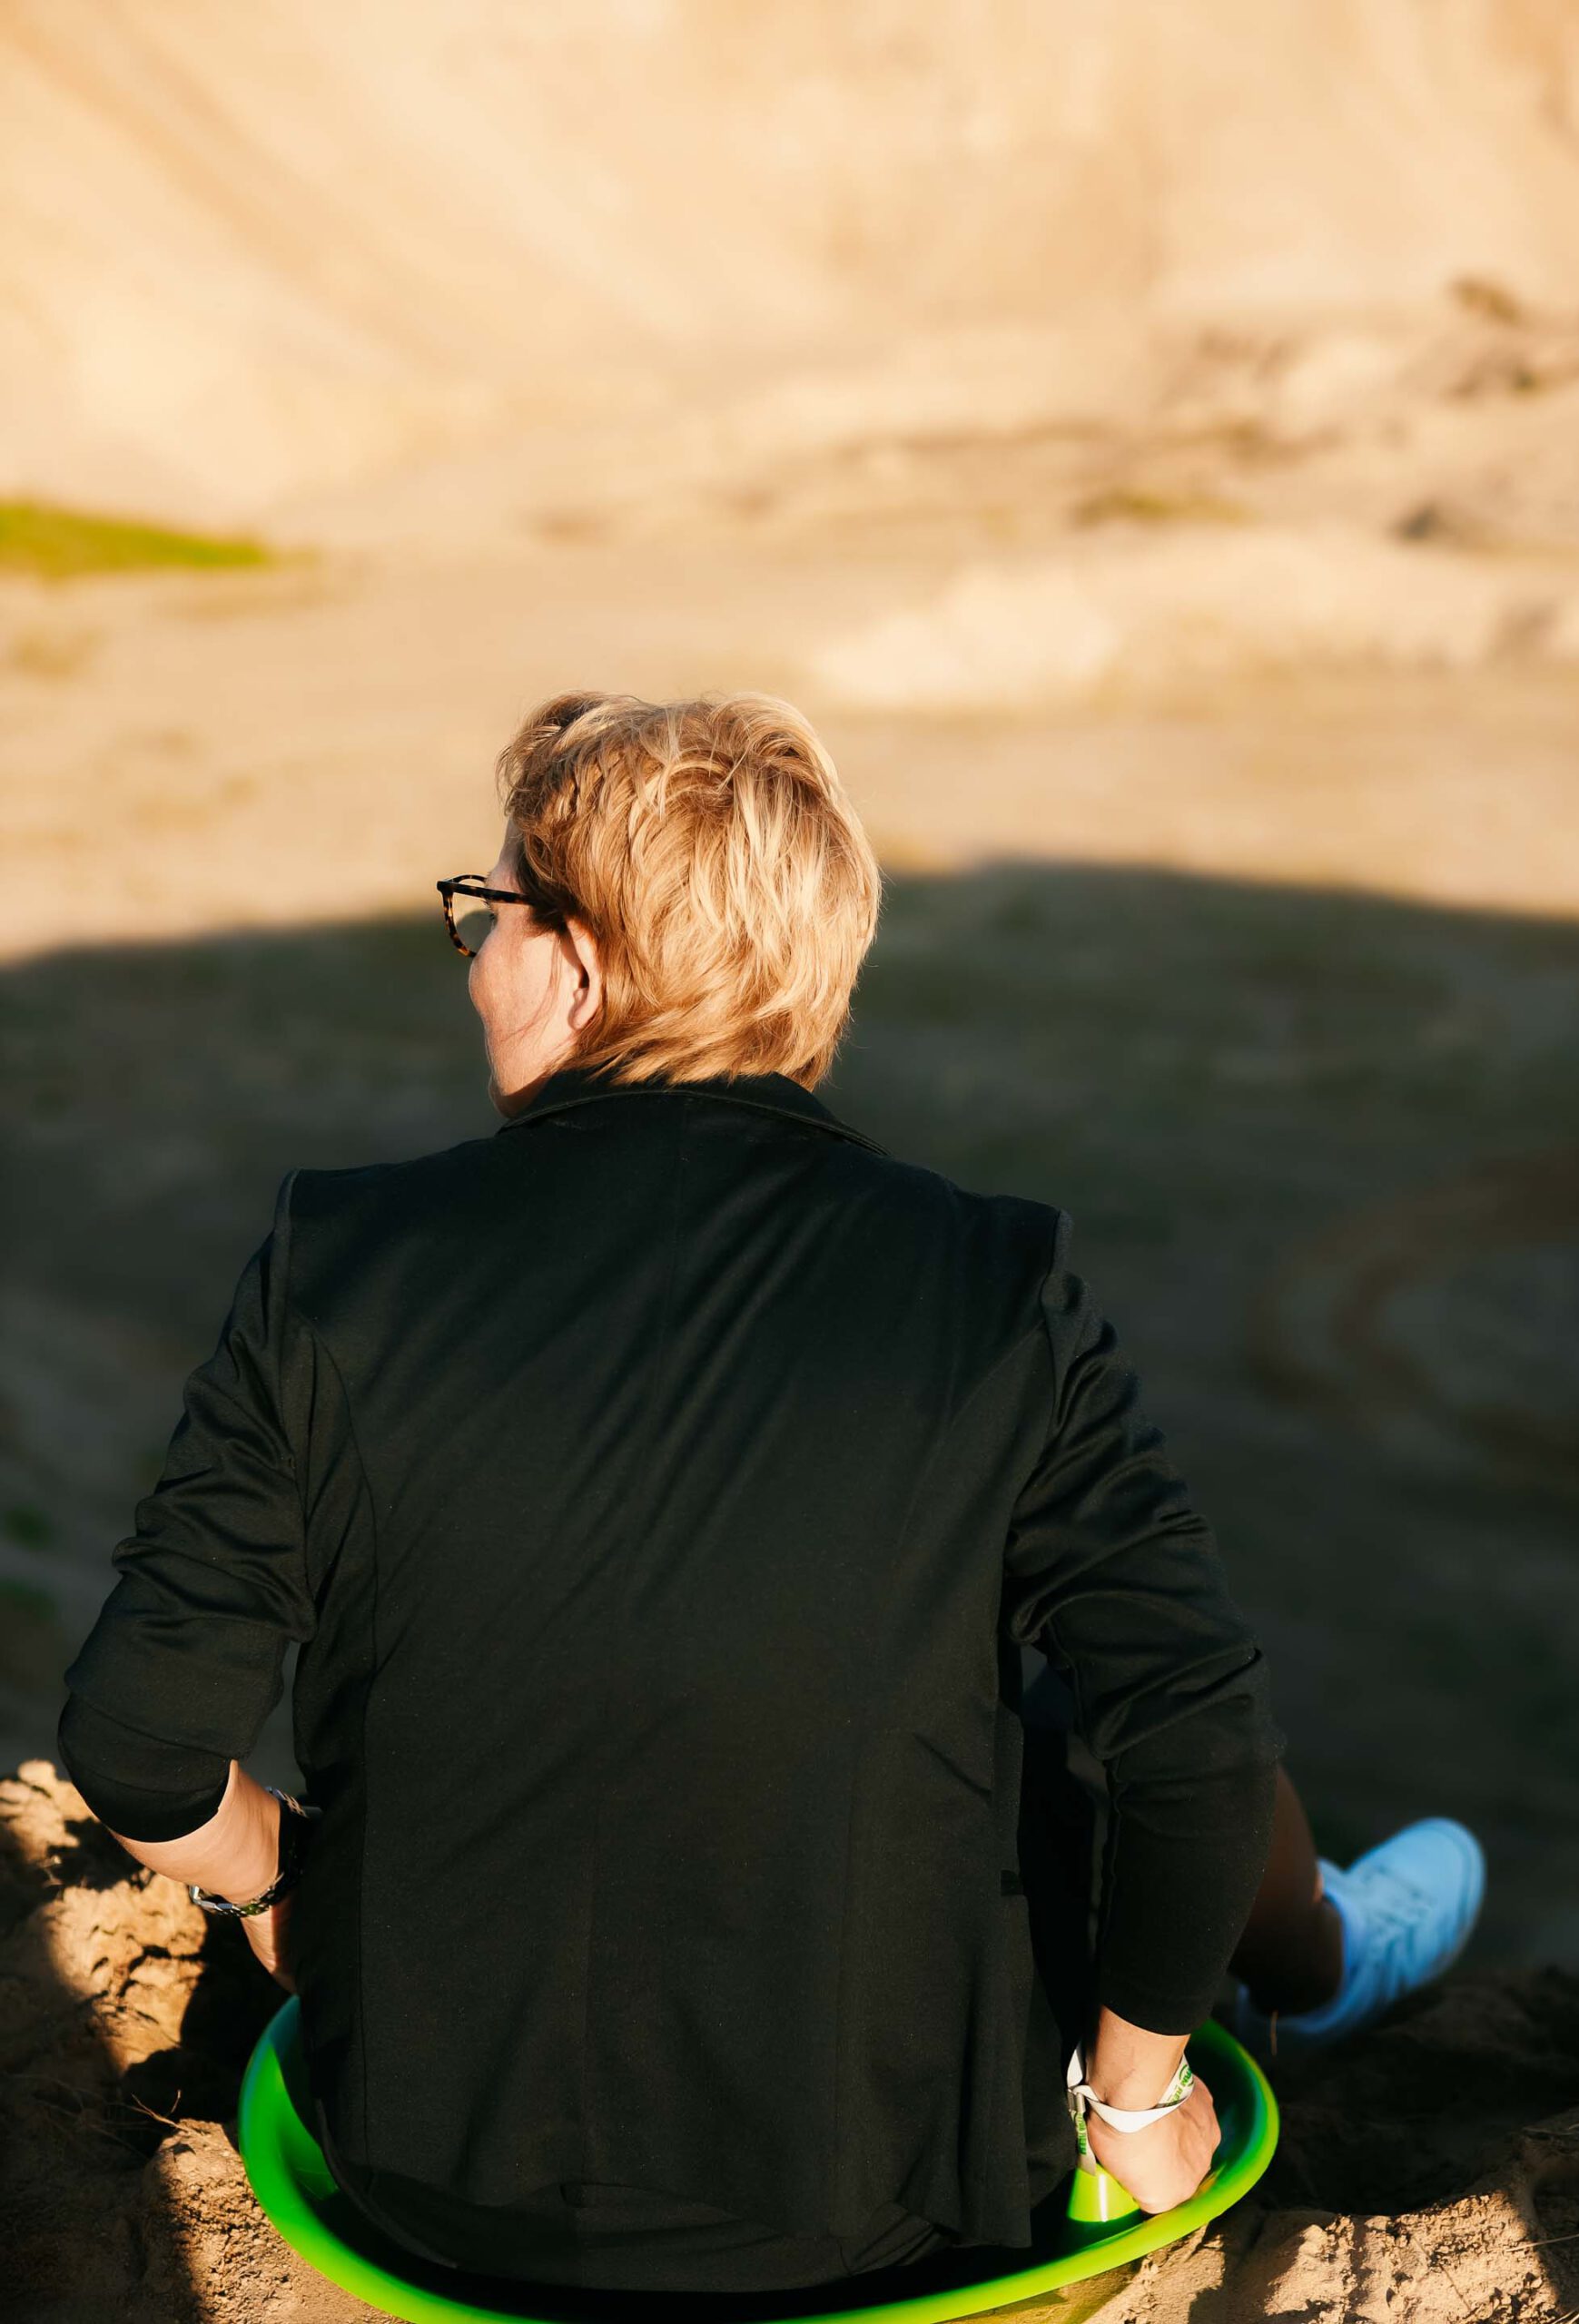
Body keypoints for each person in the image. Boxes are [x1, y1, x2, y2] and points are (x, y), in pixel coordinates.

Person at [56, 690, 1485, 2296]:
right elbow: (1200, 1734)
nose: (472, 962)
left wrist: (286, 1882)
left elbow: (136, 1740)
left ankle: (1323, 1945)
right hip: (883, 2213)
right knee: (1076, 1723)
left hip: (431, 2190)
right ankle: (1323, 1959)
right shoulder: (989, 1282)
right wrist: (1132, 2104)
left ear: (583, 967)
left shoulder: (336, 1262)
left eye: (486, 916)